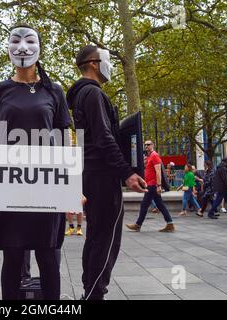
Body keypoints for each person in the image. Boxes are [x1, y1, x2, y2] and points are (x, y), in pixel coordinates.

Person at [0, 25, 72, 300]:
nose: (22, 47)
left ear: (40, 48)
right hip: (10, 186)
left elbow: (64, 141)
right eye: (15, 41)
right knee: (12, 256)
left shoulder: (54, 91)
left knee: (48, 257)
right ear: (8, 48)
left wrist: (71, 189)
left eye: (29, 41)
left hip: (47, 187)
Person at [67, 44, 147, 300]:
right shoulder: (93, 94)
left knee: (96, 236)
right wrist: (127, 172)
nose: (110, 65)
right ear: (93, 63)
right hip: (102, 175)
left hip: (90, 174)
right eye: (106, 59)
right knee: (106, 239)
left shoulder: (82, 95)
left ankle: (90, 291)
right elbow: (103, 137)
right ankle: (95, 294)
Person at [125, 140, 174, 232]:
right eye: (145, 145)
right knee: (159, 204)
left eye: (148, 144)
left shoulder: (155, 155)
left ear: (153, 145)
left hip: (153, 185)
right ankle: (170, 223)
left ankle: (138, 225)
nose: (146, 146)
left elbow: (158, 172)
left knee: (144, 205)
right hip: (151, 184)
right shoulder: (150, 156)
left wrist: (159, 185)